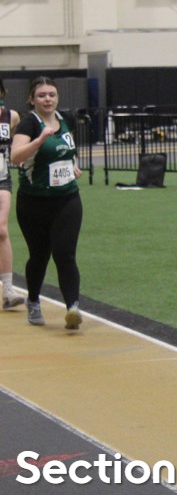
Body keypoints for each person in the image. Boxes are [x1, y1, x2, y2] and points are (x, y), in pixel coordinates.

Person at [11, 77, 85, 330]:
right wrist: (40, 139)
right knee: (39, 255)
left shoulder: (67, 119)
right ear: (32, 99)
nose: (48, 99)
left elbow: (68, 148)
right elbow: (16, 157)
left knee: (65, 253)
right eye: (42, 95)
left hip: (67, 198)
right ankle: (33, 300)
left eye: (52, 94)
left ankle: (73, 308)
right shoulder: (30, 123)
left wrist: (73, 164)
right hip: (34, 202)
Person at [0, 80, 25, 311]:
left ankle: (8, 290)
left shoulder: (12, 117)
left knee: (1, 230)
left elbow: (15, 144)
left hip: (2, 178)